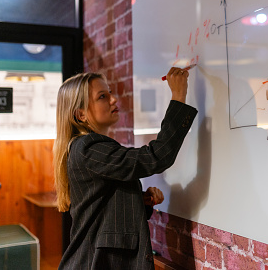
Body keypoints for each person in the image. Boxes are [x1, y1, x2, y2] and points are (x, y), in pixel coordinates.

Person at [53, 67, 197, 269]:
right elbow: (156, 156)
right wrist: (178, 97)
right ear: (81, 114)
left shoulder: (88, 147)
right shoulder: (88, 148)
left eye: (109, 92)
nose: (113, 99)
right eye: (102, 96)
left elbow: (105, 210)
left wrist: (139, 200)